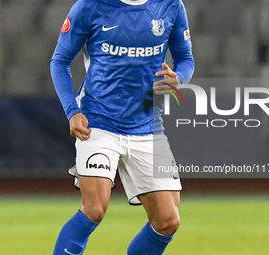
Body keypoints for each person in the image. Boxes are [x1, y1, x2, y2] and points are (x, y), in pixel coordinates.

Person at [50, 0, 195, 254]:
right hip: (98, 122)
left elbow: (186, 59)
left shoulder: (171, 5)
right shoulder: (90, 6)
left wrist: (178, 79)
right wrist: (72, 111)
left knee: (168, 221)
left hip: (147, 126)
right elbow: (60, 60)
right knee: (94, 208)